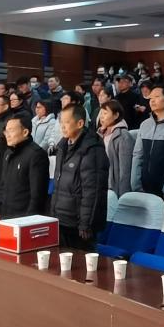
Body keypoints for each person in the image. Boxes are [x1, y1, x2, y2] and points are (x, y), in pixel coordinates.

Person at [49, 105, 109, 250]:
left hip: (79, 226)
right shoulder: (62, 146)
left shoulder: (92, 149)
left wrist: (86, 224)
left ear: (80, 123)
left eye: (67, 122)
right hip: (61, 220)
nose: (62, 126)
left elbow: (93, 191)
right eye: (61, 122)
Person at [0, 116, 50, 224]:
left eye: (11, 130)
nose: (7, 135)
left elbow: (37, 195)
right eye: (6, 131)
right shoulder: (8, 153)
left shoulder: (36, 155)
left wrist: (29, 221)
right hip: (5, 216)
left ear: (25, 132)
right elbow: (2, 185)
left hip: (24, 219)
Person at [98, 99, 133, 197]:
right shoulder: (99, 133)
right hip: (100, 182)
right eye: (101, 113)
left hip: (113, 186)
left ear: (116, 115)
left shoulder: (123, 136)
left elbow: (125, 169)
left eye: (105, 113)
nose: (101, 117)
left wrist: (123, 195)